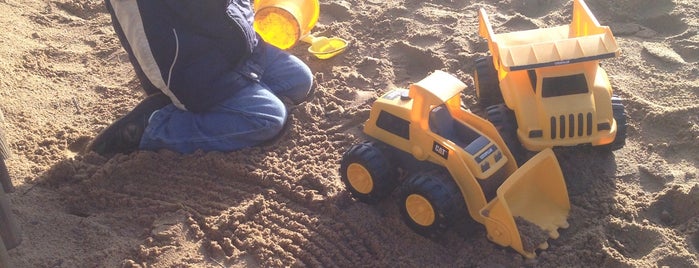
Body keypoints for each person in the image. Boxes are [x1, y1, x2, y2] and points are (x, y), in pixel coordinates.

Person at [86, 0, 313, 156]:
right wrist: (171, 83)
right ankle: (152, 128)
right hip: (189, 62)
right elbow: (145, 33)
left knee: (299, 80)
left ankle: (229, 102)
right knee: (267, 119)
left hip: (234, 39)